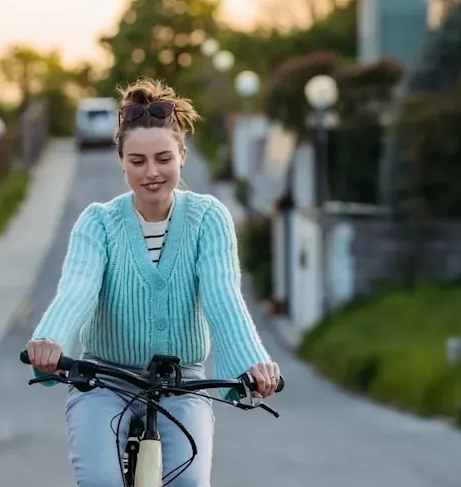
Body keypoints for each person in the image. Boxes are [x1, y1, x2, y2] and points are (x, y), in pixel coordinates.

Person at [26, 78, 280, 487]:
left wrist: (252, 361)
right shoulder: (98, 223)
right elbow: (78, 289)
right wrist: (51, 338)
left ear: (182, 154)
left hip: (183, 382)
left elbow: (222, 294)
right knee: (102, 482)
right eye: (138, 160)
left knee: (189, 483)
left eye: (163, 158)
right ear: (121, 160)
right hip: (104, 379)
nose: (152, 172)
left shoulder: (208, 218)